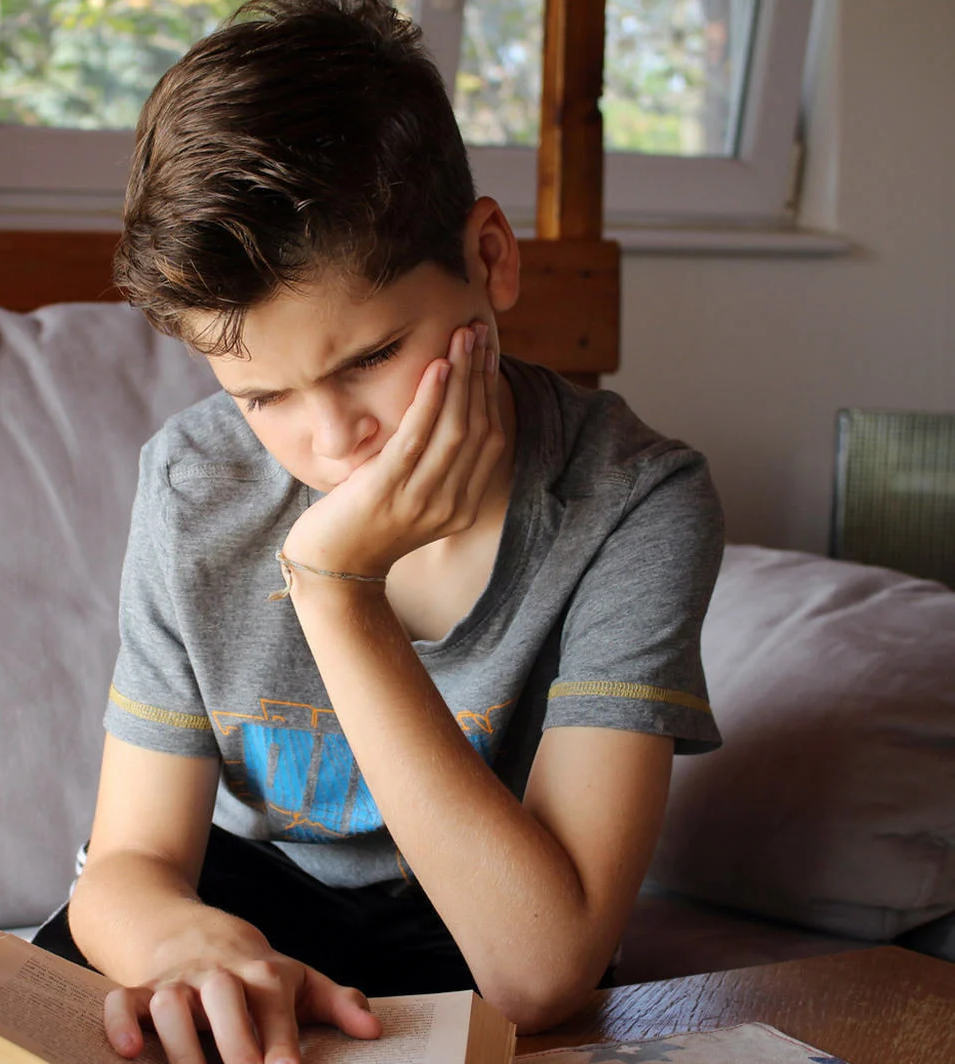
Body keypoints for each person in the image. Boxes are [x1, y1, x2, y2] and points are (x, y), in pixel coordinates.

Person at [35, 0, 724, 1060]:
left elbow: (543, 969)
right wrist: (187, 941)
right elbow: (126, 863)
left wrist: (337, 588)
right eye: (263, 396)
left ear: (490, 257)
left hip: (483, 928)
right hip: (257, 918)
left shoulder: (634, 504)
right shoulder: (195, 484)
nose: (332, 439)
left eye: (369, 357)